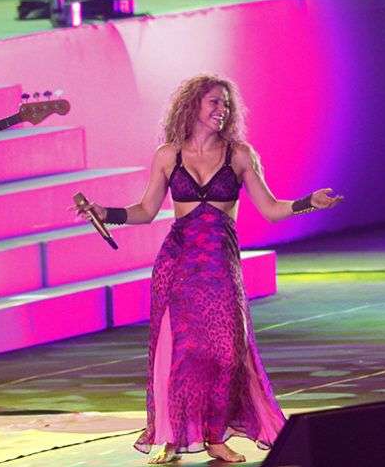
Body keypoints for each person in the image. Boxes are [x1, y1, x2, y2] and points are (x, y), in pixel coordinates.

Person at [76, 75, 342, 463]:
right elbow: (146, 210)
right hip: (177, 263)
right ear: (193, 105)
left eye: (226, 105)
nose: (222, 110)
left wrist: (308, 203)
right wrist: (106, 213)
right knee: (181, 352)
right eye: (214, 103)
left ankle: (215, 436)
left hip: (220, 265)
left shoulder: (239, 155)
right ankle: (173, 437)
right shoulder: (169, 155)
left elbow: (270, 209)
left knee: (226, 353)